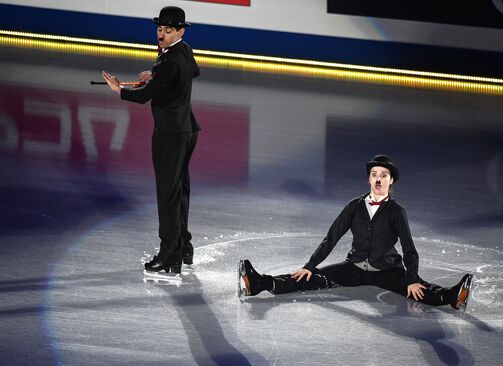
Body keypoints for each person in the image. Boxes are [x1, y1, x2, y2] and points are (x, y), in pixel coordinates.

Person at [240, 155, 473, 310]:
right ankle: (259, 283)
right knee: (309, 278)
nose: (378, 179)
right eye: (374, 174)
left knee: (417, 289)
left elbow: (409, 249)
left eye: (383, 175)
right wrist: (310, 265)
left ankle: (452, 297)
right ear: (369, 178)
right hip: (353, 268)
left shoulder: (397, 211)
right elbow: (332, 237)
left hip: (387, 270)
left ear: (391, 181)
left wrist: (411, 278)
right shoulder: (354, 206)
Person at [102, 6, 200, 274]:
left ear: (180, 30)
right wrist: (156, 75)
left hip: (170, 133)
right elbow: (193, 72)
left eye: (168, 31)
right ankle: (184, 247)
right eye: (160, 29)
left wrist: (119, 89)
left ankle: (170, 256)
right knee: (179, 190)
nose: (162, 35)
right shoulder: (184, 50)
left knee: (168, 194)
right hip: (187, 129)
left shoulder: (169, 59)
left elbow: (143, 96)